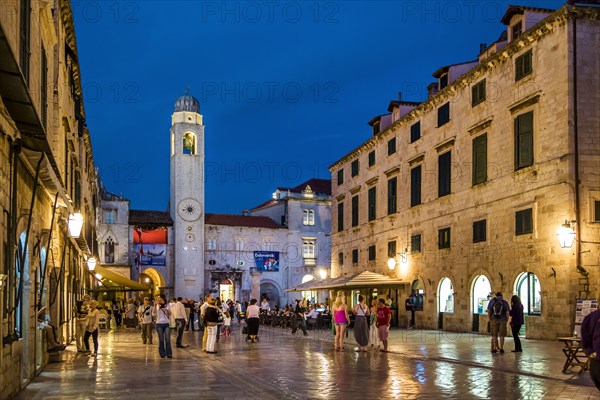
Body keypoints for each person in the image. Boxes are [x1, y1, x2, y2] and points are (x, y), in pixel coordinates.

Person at [581, 308, 600, 391]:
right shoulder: (594, 317)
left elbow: (586, 342)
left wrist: (592, 352)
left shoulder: (593, 317)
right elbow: (586, 341)